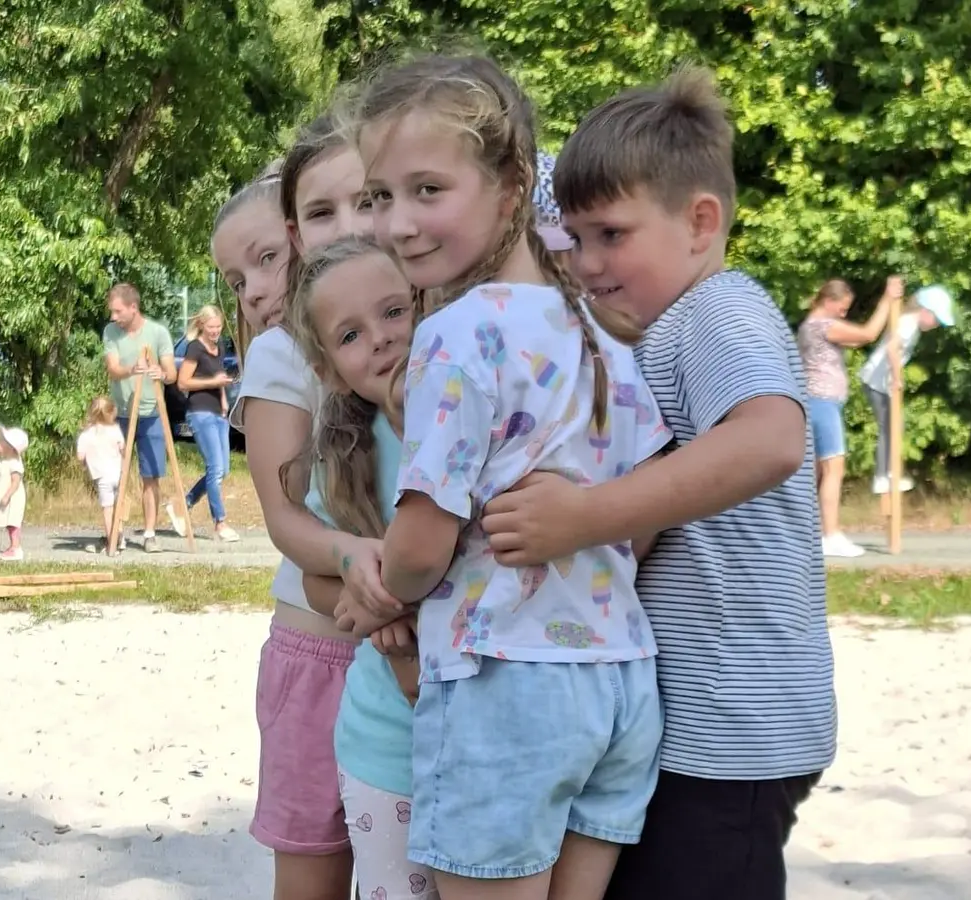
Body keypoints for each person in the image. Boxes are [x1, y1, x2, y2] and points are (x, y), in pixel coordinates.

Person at [480, 65, 836, 900]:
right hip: (691, 726)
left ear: (701, 223)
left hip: (733, 732)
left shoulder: (719, 311)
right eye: (573, 239)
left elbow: (772, 440)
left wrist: (584, 518)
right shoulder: (660, 327)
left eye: (611, 234)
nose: (587, 262)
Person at [333, 54, 670, 900]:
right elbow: (646, 506)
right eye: (380, 195)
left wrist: (380, 591)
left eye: (428, 190)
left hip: (504, 683)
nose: (399, 222)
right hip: (618, 677)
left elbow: (422, 545)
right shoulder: (602, 330)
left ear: (513, 184)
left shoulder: (456, 336)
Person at [213, 139, 370, 899]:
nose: (252, 291)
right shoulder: (281, 356)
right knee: (312, 870)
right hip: (322, 653)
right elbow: (287, 516)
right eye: (236, 280)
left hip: (404, 652)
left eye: (264, 260)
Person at [286, 235, 433, 900]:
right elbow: (316, 579)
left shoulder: (485, 417)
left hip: (496, 734)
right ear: (330, 369)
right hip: (388, 745)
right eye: (350, 335)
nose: (381, 339)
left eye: (394, 311)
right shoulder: (350, 456)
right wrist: (365, 599)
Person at [796, 277, 898, 557]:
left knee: (820, 471)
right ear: (828, 301)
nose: (843, 314)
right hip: (822, 403)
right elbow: (867, 334)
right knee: (834, 469)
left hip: (818, 403)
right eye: (842, 308)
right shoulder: (822, 326)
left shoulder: (809, 326)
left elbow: (856, 340)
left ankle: (816, 534)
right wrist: (887, 299)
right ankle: (830, 535)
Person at [102, 283, 180, 552]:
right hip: (120, 415)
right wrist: (132, 369)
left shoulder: (158, 333)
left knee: (151, 476)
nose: (114, 317)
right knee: (115, 475)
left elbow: (172, 374)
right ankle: (115, 532)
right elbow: (113, 369)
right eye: (112, 312)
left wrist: (161, 373)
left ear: (133, 307)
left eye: (118, 311)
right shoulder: (111, 332)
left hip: (151, 414)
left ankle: (149, 533)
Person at [857, 284, 955, 495]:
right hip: (876, 381)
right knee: (890, 427)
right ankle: (883, 477)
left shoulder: (912, 326)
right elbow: (892, 349)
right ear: (926, 311)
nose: (936, 325)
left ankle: (890, 473)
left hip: (882, 383)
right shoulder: (908, 324)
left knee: (895, 426)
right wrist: (897, 376)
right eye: (936, 320)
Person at [171, 305, 239, 542]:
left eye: (219, 327)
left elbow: (218, 377)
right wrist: (212, 383)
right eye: (211, 327)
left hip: (219, 414)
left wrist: (223, 400)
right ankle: (220, 522)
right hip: (200, 412)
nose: (215, 331)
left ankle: (184, 504)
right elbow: (183, 383)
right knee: (215, 468)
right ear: (201, 325)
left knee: (223, 470)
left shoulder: (219, 347)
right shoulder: (195, 348)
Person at [77, 395, 127, 554]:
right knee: (118, 505)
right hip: (118, 474)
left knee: (107, 509)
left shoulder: (87, 434)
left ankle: (111, 542)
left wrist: (85, 463)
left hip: (102, 476)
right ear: (111, 413)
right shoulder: (115, 430)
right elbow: (123, 448)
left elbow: (80, 456)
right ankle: (120, 536)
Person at [0, 424, 28, 561]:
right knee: (8, 523)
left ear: (11, 447)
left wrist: (7, 496)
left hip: (13, 498)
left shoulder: (15, 463)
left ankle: (16, 548)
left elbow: (15, 481)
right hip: (6, 497)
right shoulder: (3, 461)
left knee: (13, 522)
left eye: (2, 442)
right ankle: (13, 547)